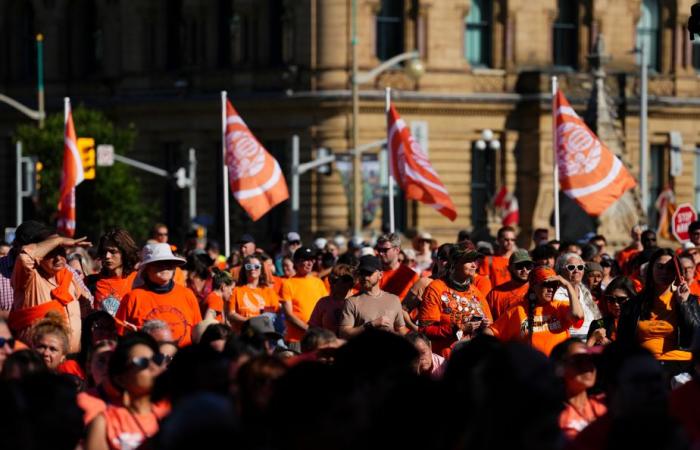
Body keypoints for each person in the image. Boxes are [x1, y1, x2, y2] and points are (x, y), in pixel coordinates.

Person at [617, 248, 700, 378]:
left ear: (677, 273)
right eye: (660, 267)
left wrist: (683, 304)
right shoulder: (633, 304)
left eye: (670, 268)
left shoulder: (689, 300)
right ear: (651, 269)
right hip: (645, 363)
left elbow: (693, 337)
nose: (664, 272)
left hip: (680, 363)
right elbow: (623, 342)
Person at [10, 232, 92, 353]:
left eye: (61, 251)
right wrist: (57, 241)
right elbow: (24, 258)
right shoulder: (29, 278)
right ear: (41, 255)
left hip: (70, 360)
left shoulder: (70, 279)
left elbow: (87, 310)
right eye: (51, 253)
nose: (58, 258)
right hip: (38, 359)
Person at [85, 332, 166, 450]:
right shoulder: (105, 423)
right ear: (121, 379)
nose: (153, 366)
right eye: (142, 362)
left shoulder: (172, 413)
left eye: (156, 359)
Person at [115, 243, 202, 347]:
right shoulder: (132, 298)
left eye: (169, 262)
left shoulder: (187, 295)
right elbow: (119, 337)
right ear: (146, 269)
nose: (165, 266)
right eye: (159, 263)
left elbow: (198, 334)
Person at [485, 266, 584, 356]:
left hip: (557, 368)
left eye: (554, 285)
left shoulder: (559, 306)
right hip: (532, 369)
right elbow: (490, 332)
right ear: (533, 286)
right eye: (546, 284)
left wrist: (567, 285)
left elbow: (577, 315)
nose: (551, 289)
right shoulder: (518, 309)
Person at [418, 241, 492, 355]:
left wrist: (484, 325)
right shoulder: (436, 288)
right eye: (469, 261)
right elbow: (425, 330)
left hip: (474, 358)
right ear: (455, 263)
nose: (474, 265)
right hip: (447, 361)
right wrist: (458, 328)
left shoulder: (475, 292)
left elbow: (490, 325)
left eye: (475, 261)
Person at [338, 255, 408, 338]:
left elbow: (401, 329)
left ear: (380, 275)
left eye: (369, 273)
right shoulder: (351, 301)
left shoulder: (394, 300)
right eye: (361, 273)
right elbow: (343, 334)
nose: (365, 277)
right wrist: (371, 325)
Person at [551, 339, 607, 440]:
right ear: (559, 368)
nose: (588, 367)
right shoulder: (552, 417)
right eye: (579, 361)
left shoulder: (605, 405)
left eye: (590, 360)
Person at [280, 247, 328, 345]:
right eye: (306, 260)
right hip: (297, 340)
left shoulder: (318, 282)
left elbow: (326, 308)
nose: (310, 263)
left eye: (311, 260)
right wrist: (309, 329)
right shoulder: (288, 284)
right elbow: (288, 315)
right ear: (296, 263)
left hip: (317, 339)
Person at [87, 229, 140, 316]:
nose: (107, 256)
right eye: (104, 251)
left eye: (113, 252)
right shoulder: (90, 282)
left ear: (125, 252)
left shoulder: (138, 280)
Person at [555, 253, 602, 341]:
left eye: (580, 267)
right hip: (569, 343)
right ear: (560, 270)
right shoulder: (557, 294)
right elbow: (576, 317)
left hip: (591, 341)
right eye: (571, 267)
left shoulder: (585, 291)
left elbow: (597, 317)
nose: (576, 271)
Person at [229, 255, 280, 327]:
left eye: (256, 266)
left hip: (263, 333)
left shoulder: (269, 292)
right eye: (249, 266)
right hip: (242, 334)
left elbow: (274, 314)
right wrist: (249, 321)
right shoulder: (236, 290)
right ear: (244, 269)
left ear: (261, 269)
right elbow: (231, 314)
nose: (252, 269)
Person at [586, 277, 636, 347]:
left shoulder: (639, 324)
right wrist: (593, 339)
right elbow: (586, 355)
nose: (616, 304)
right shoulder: (598, 324)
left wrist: (610, 346)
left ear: (632, 299)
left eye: (621, 299)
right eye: (611, 299)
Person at [308, 263, 356, 336]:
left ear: (348, 282)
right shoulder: (324, 302)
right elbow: (312, 329)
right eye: (330, 279)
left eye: (334, 280)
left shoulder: (358, 301)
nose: (330, 283)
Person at [486, 249, 533, 320]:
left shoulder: (538, 290)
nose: (524, 270)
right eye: (519, 266)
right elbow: (488, 321)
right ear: (509, 268)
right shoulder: (495, 294)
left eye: (528, 266)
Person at [375, 233, 419, 301]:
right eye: (379, 250)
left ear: (397, 250)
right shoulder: (372, 274)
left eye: (385, 250)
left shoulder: (412, 276)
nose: (381, 253)